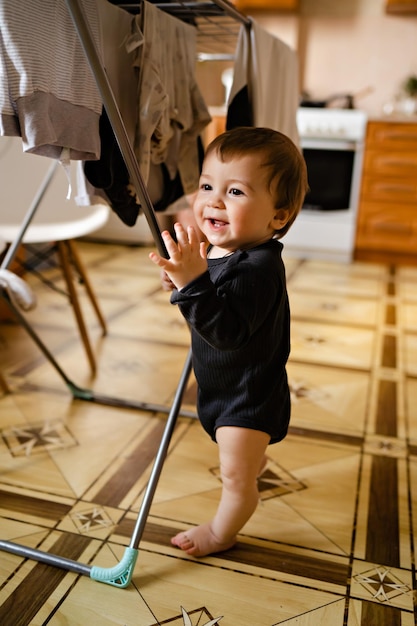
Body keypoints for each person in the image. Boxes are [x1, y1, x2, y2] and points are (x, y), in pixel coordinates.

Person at [149, 126, 308, 557]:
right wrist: (182, 281)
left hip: (248, 397)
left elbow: (227, 331)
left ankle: (222, 532)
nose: (213, 201)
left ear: (278, 216)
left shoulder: (258, 269)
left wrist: (193, 283)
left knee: (237, 480)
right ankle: (254, 459)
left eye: (235, 191)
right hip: (223, 386)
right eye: (206, 186)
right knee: (237, 457)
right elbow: (206, 306)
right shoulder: (224, 251)